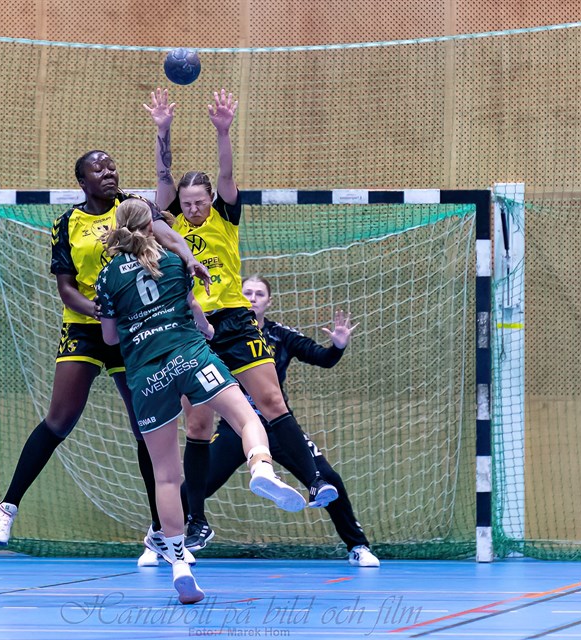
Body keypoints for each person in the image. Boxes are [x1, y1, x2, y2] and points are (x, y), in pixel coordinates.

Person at [0, 150, 210, 564]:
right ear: (82, 181)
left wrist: (190, 259)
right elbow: (66, 289)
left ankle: (161, 532)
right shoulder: (67, 223)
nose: (108, 172)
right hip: (85, 327)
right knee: (60, 419)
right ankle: (7, 507)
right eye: (98, 168)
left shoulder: (135, 207)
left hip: (132, 330)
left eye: (111, 166)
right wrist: (100, 310)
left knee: (147, 427)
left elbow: (171, 238)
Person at [145, 87, 338, 551]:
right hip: (191, 331)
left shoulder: (225, 216)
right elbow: (162, 177)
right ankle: (195, 521)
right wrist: (163, 131)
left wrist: (223, 132)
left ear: (211, 198)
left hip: (233, 321)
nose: (193, 208)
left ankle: (313, 480)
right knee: (197, 427)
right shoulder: (171, 224)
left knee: (270, 400)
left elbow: (227, 173)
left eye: (199, 201)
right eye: (187, 203)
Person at [96, 199, 307, 604]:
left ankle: (179, 563)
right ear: (154, 227)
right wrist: (206, 328)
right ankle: (261, 467)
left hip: (147, 374)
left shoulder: (107, 277)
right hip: (190, 355)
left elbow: (108, 338)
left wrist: (134, 324)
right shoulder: (175, 262)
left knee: (166, 476)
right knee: (247, 419)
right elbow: (197, 314)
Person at [184, 276, 380, 566]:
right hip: (236, 428)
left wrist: (337, 347)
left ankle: (358, 546)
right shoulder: (216, 333)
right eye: (247, 292)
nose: (253, 297)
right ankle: (162, 537)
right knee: (195, 484)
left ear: (269, 301)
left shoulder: (279, 335)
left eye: (259, 293)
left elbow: (322, 358)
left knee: (329, 479)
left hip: (277, 427)